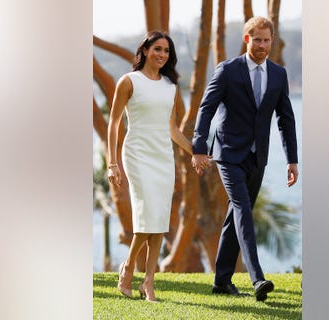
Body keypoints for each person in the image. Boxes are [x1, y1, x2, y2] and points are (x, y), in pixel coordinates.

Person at [191, 16, 299, 302]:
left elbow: (286, 120)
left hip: (258, 156)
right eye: (257, 40)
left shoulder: (278, 74)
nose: (262, 45)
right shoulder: (227, 70)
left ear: (271, 41)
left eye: (267, 40)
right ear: (247, 39)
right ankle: (257, 277)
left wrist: (292, 159)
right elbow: (206, 108)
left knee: (234, 216)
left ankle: (221, 281)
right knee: (243, 210)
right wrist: (199, 147)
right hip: (227, 153)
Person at [106, 31, 192, 303]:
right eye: (157, 49)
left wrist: (196, 152)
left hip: (163, 156)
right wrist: (112, 162)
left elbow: (172, 130)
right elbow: (114, 123)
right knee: (147, 215)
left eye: (166, 51)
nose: (162, 55)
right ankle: (129, 266)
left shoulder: (170, 86)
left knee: (159, 220)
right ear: (144, 50)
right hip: (137, 154)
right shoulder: (129, 81)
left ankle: (148, 282)